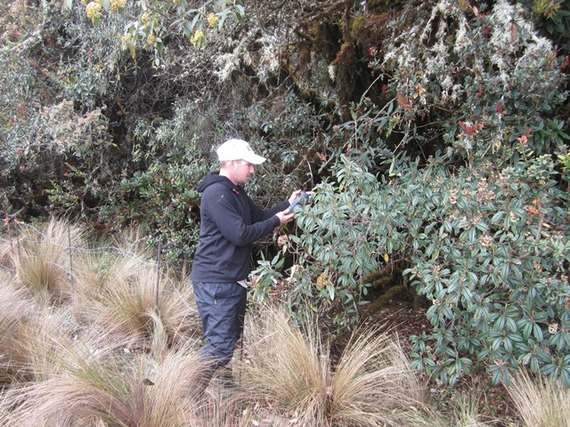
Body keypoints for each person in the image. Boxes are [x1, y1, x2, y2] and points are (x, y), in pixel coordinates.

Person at [190, 138, 300, 388]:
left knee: (229, 339)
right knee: (220, 345)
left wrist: (289, 203)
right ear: (230, 163)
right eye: (248, 165)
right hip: (215, 281)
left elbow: (259, 216)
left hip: (231, 280)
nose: (252, 170)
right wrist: (277, 222)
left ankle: (218, 387)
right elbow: (239, 234)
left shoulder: (235, 191)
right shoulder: (217, 193)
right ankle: (187, 393)